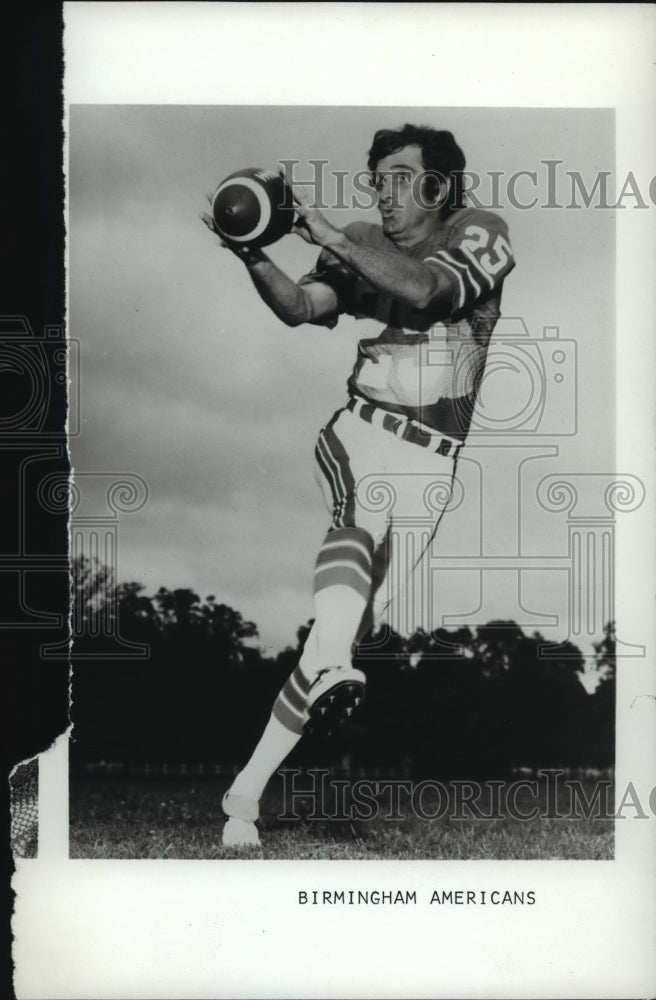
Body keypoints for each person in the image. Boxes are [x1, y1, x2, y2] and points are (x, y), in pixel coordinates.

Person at [201, 124, 516, 847]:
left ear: (440, 186)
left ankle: (242, 797)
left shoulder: (481, 232)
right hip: (364, 431)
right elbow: (300, 307)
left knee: (333, 645)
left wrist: (341, 241)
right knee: (358, 523)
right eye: (378, 178)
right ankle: (335, 665)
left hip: (435, 462)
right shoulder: (362, 235)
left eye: (402, 177)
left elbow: (431, 290)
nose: (384, 191)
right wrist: (251, 253)